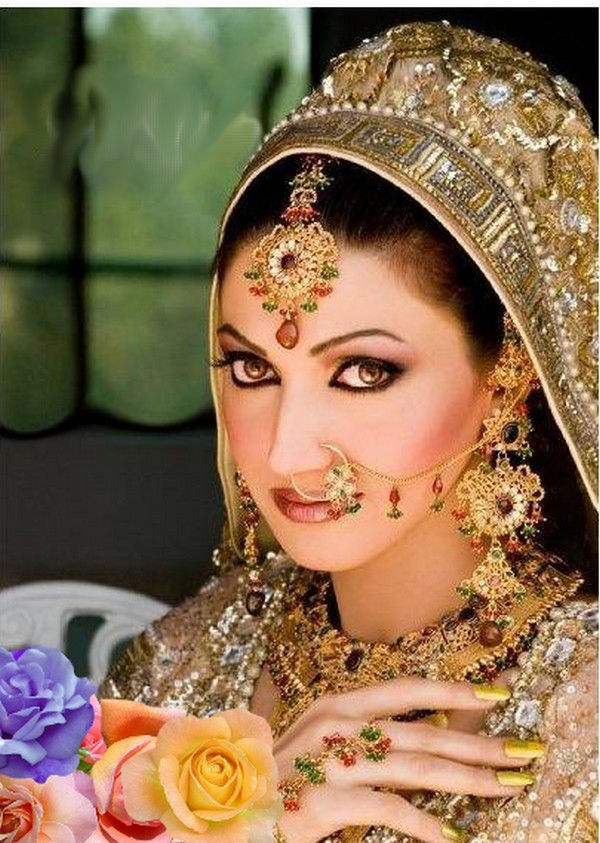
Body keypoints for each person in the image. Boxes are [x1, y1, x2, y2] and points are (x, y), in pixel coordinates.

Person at [101, 21, 598, 843]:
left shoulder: (583, 715)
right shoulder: (181, 663)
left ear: (508, 374)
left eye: (364, 372)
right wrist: (252, 827)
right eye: (252, 368)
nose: (287, 451)